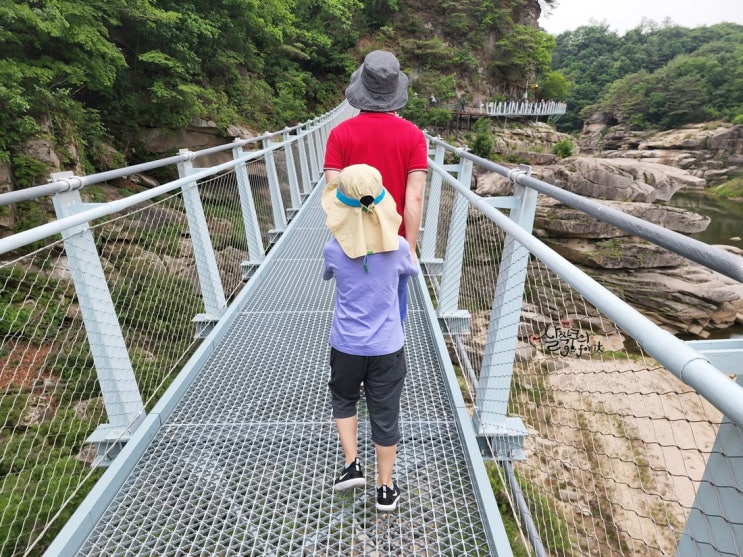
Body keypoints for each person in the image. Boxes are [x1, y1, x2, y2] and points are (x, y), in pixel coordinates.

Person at [321, 164, 419, 512]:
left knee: (344, 397)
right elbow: (409, 274)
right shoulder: (400, 248)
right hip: (388, 346)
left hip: (346, 343)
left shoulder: (334, 250)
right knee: (385, 412)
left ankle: (352, 465)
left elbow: (329, 274)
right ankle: (385, 487)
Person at [323, 49, 428, 321]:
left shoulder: (339, 135)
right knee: (394, 314)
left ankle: (354, 355)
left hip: (352, 240)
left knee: (352, 309)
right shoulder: (414, 137)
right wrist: (412, 248)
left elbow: (335, 193)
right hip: (395, 242)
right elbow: (414, 199)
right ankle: (390, 358)